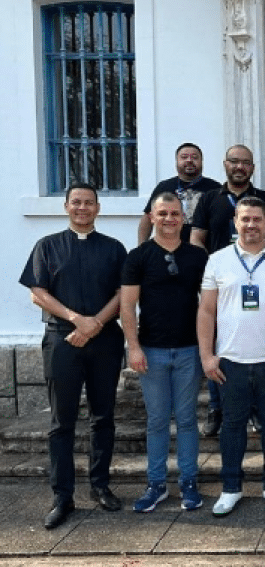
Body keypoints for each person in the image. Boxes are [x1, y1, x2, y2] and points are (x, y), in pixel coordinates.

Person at [19, 183, 127, 529]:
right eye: (76, 202)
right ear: (66, 206)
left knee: (103, 417)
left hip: (105, 340)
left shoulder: (114, 248)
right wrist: (76, 320)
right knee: (61, 422)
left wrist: (95, 323)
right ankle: (62, 497)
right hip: (61, 341)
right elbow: (38, 292)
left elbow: (123, 293)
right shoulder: (47, 246)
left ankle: (100, 486)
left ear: (98, 208)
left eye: (89, 203)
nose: (82, 208)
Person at [196, 197, 265, 517]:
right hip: (230, 362)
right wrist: (207, 356)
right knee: (232, 427)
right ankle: (231, 488)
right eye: (245, 219)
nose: (251, 225)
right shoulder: (217, 260)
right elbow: (206, 310)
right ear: (235, 221)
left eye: (257, 219)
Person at [121, 193, 209, 512]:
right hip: (152, 352)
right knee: (157, 420)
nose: (170, 219)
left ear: (183, 218)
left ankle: (189, 482)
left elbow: (210, 306)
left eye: (175, 213)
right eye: (163, 213)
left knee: (186, 419)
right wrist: (133, 347)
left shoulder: (198, 257)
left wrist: (208, 349)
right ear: (152, 217)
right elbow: (127, 306)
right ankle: (156, 484)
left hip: (189, 350)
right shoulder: (138, 257)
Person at [191, 144, 265, 437]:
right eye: (234, 161)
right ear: (225, 164)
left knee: (254, 346)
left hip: (258, 282)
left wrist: (262, 267)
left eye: (245, 162)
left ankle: (254, 410)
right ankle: (216, 408)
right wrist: (213, 272)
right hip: (223, 285)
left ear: (252, 168)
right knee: (221, 347)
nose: (239, 166)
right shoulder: (209, 200)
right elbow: (197, 239)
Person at [136, 143, 221, 244]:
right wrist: (141, 248)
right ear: (177, 161)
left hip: (205, 249)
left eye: (194, 157)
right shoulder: (164, 187)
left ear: (201, 162)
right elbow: (147, 218)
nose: (189, 160)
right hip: (169, 248)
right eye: (184, 157)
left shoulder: (215, 188)